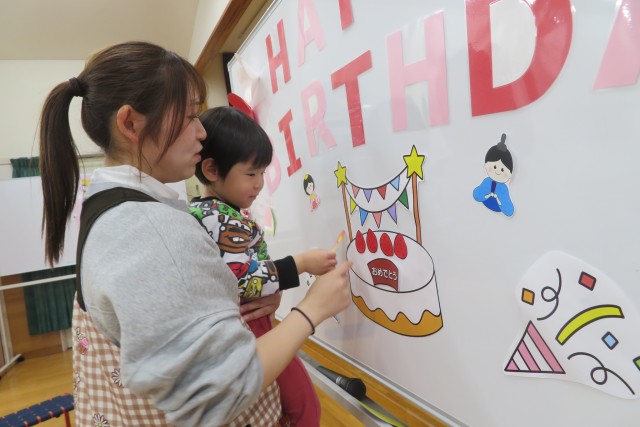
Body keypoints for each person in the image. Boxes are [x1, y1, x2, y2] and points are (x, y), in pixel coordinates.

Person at [38, 41, 351, 427]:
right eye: (190, 116)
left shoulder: (115, 207)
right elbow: (222, 388)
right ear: (131, 124)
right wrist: (312, 309)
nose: (201, 132)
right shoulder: (147, 230)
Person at [189, 106, 334, 426]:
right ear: (211, 169)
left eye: (262, 174)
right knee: (303, 402)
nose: (259, 184)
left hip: (249, 322)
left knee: (294, 397)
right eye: (251, 174)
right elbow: (242, 278)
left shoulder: (211, 212)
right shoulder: (218, 218)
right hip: (248, 325)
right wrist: (300, 263)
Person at [472, 133, 515, 217]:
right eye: (494, 167)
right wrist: (486, 195)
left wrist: (499, 200)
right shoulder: (487, 182)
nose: (498, 172)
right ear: (486, 165)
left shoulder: (503, 189)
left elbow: (509, 210)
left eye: (502, 170)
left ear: (509, 174)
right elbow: (477, 195)